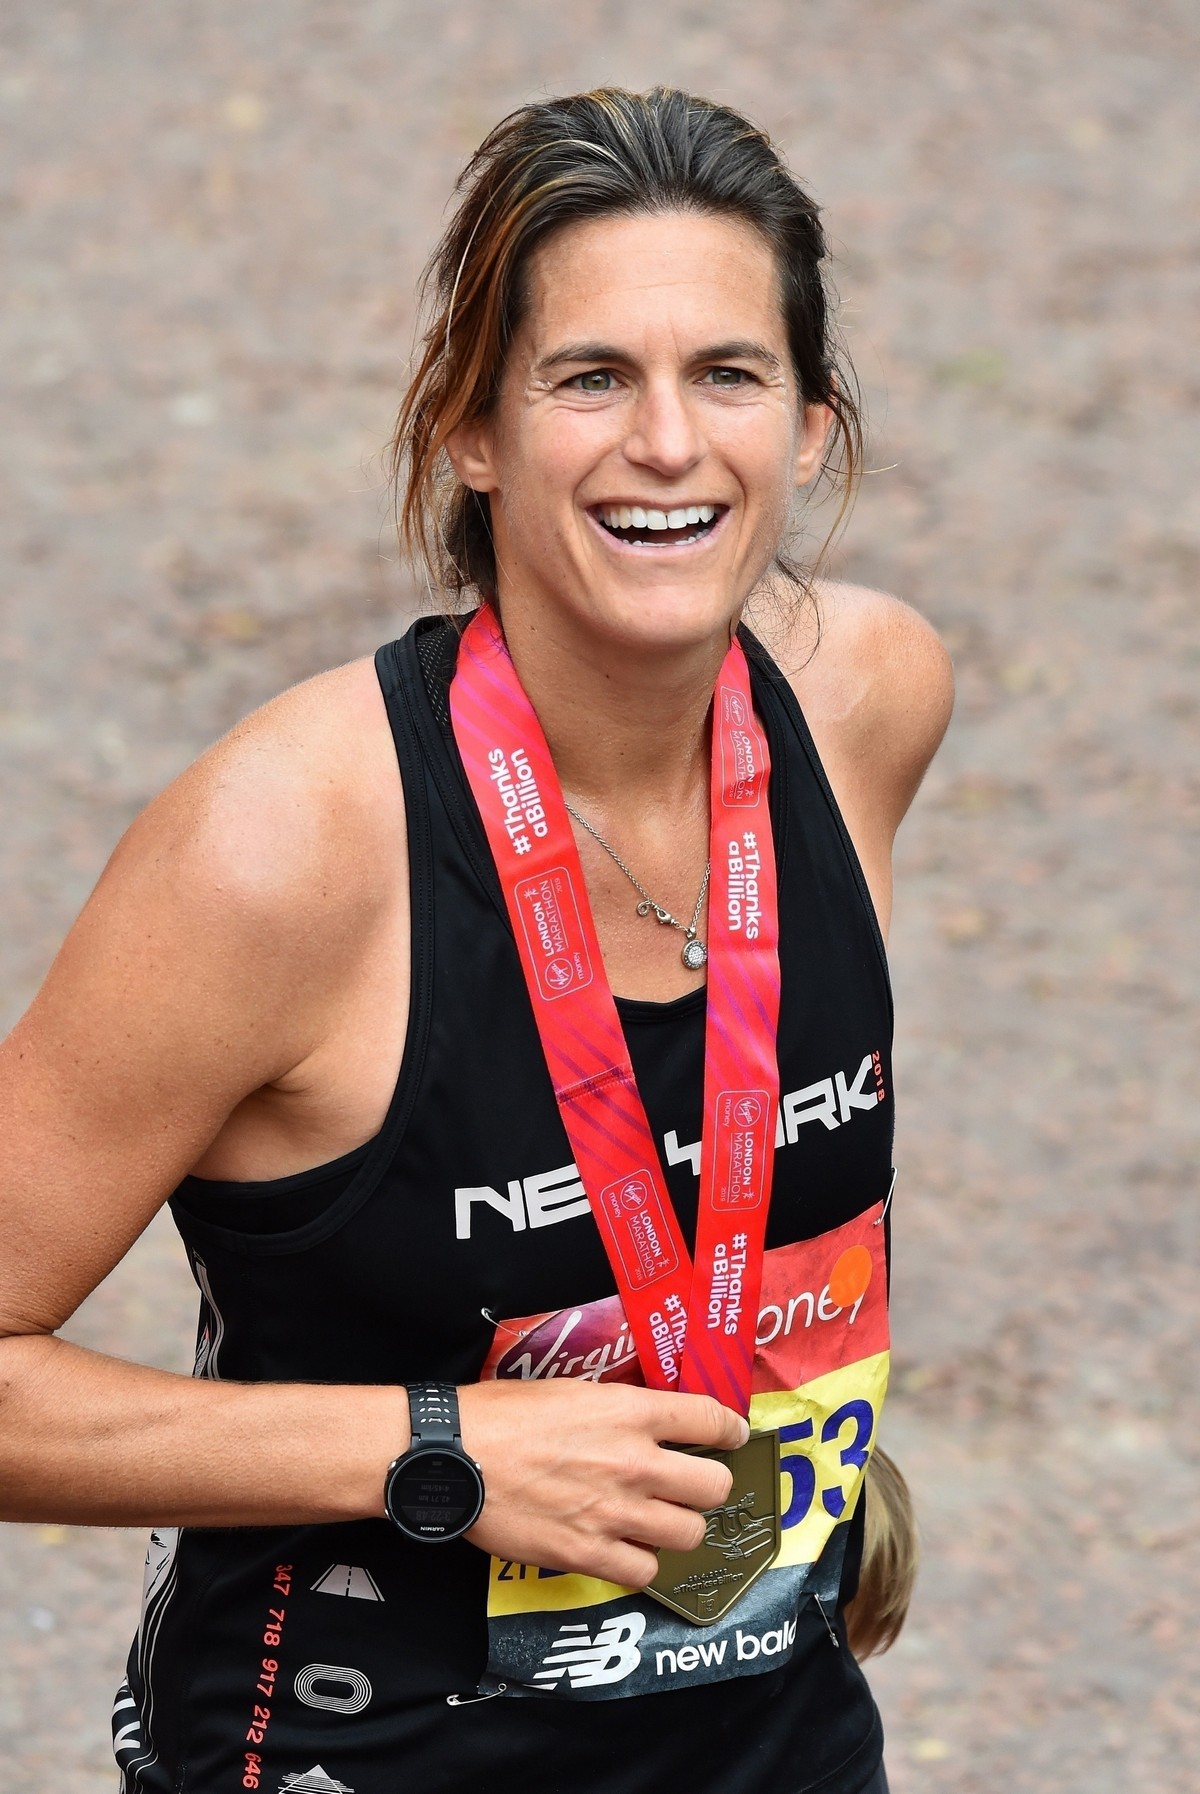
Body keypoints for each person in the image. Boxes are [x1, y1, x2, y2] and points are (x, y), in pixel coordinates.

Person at [0, 87, 950, 1794]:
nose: (668, 443)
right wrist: (435, 1451)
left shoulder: (865, 699)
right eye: (593, 377)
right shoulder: (284, 849)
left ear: (810, 425)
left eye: (728, 374)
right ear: (473, 428)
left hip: (774, 1743)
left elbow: (738, 1195)